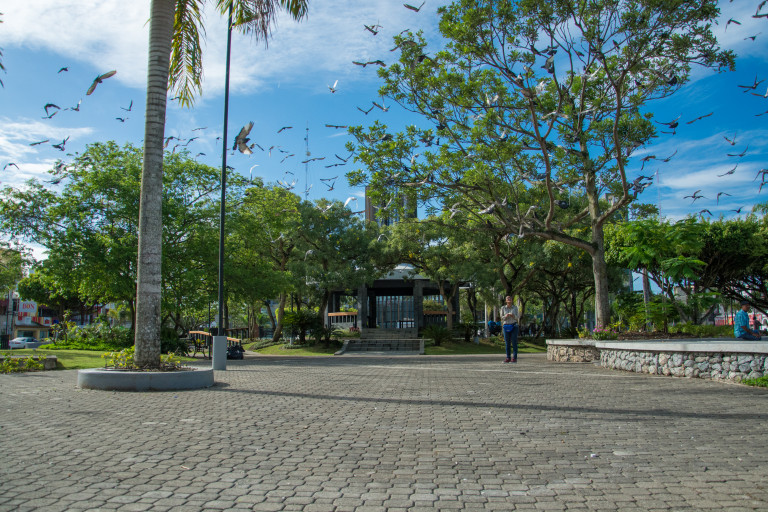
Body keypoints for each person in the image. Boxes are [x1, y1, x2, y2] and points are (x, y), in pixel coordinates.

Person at [500, 295, 519, 363]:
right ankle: (508, 357)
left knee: (514, 342)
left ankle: (514, 358)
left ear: (512, 300)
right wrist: (506, 316)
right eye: (507, 298)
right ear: (506, 301)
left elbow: (517, 317)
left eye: (510, 298)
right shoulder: (503, 308)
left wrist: (513, 316)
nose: (509, 299)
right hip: (506, 326)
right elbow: (501, 317)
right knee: (507, 343)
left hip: (514, 325)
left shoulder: (515, 308)